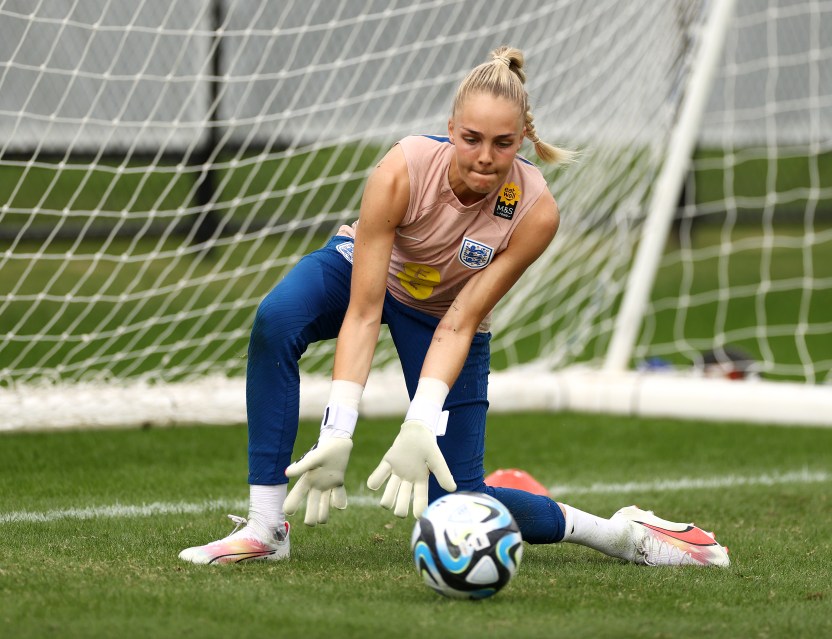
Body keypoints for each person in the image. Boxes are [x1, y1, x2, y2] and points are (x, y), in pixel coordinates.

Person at [179, 46, 729, 568]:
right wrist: (337, 431)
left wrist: (421, 421)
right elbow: (364, 312)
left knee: (459, 504)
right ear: (449, 130)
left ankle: (621, 534)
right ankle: (265, 527)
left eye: (503, 143)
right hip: (367, 277)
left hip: (444, 315)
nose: (485, 157)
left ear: (522, 141)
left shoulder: (536, 212)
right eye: (471, 138)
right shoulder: (401, 169)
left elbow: (461, 319)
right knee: (278, 320)